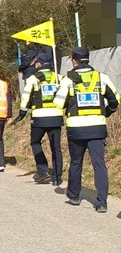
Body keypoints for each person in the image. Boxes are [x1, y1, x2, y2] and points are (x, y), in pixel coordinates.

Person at [53, 46, 119, 212]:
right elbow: (115, 101)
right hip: (97, 127)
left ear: (74, 61)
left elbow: (58, 103)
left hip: (76, 129)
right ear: (88, 59)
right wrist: (106, 113)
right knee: (99, 164)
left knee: (76, 162)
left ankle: (74, 195)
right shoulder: (101, 77)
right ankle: (102, 202)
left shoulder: (68, 80)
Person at [11, 51, 64, 185]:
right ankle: (57, 177)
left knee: (35, 142)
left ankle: (43, 171)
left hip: (39, 118)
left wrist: (21, 114)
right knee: (56, 147)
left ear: (39, 63)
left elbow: (26, 97)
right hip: (56, 117)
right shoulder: (59, 78)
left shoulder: (33, 79)